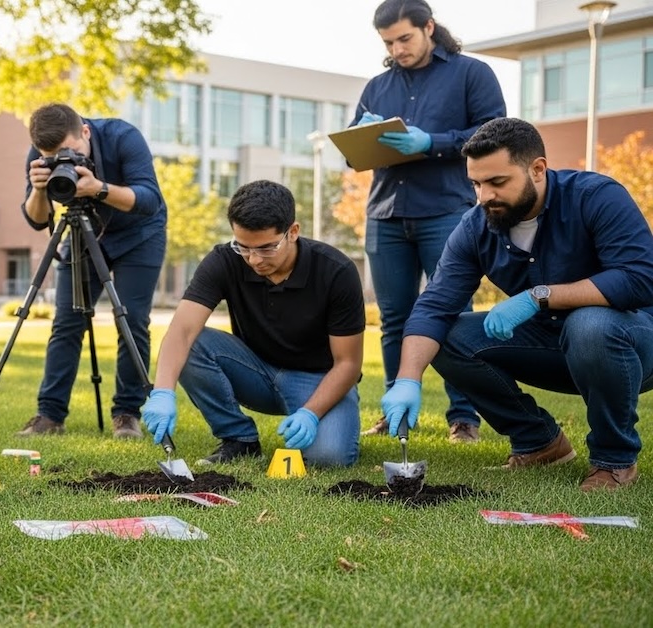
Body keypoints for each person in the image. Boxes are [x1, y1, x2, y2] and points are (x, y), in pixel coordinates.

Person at [381, 117, 653, 491]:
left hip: (630, 342)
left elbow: (639, 278)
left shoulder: (596, 196)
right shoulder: (477, 226)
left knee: (590, 324)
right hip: (553, 344)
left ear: (537, 169)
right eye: (476, 183)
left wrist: (540, 296)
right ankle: (540, 442)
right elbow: (434, 308)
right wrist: (407, 379)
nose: (483, 196)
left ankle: (613, 460)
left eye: (497, 182)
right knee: (447, 336)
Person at [354, 0, 505, 444]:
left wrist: (431, 143)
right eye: (388, 42)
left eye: (404, 38)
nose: (397, 49)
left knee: (453, 316)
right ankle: (395, 412)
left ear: (429, 27)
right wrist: (361, 136)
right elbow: (352, 154)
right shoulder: (377, 86)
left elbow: (494, 134)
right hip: (386, 215)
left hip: (448, 213)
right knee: (395, 320)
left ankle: (464, 419)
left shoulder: (471, 74)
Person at [140, 181, 363, 467]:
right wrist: (162, 392)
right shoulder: (224, 260)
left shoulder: (336, 271)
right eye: (243, 247)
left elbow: (348, 364)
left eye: (267, 248)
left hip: (318, 379)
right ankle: (239, 438)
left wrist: (311, 413)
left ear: (293, 232)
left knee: (328, 458)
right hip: (255, 371)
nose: (254, 259)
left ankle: (318, 421)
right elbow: (181, 332)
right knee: (193, 343)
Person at [15, 103, 167, 439]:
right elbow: (36, 218)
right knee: (66, 323)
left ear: (85, 130)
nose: (63, 160)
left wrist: (98, 188)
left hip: (140, 235)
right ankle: (49, 415)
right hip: (82, 234)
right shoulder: (38, 154)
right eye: (52, 156)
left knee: (132, 320)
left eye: (71, 151)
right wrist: (40, 188)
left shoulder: (123, 136)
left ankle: (127, 413)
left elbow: (148, 199)